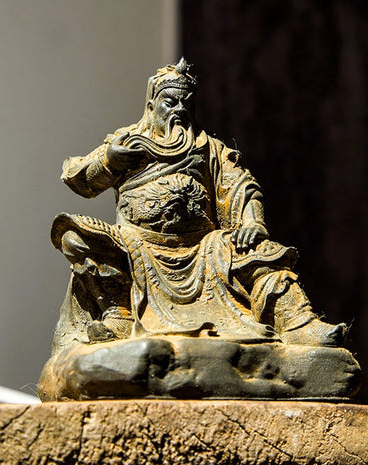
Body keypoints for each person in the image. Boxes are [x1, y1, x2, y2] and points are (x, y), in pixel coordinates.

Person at [50, 58, 347, 353]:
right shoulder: (127, 142)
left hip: (205, 249)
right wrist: (109, 162)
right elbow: (78, 178)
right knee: (74, 238)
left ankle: (298, 322)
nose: (179, 110)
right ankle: (119, 317)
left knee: (261, 252)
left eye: (186, 104)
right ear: (151, 106)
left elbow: (242, 185)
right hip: (135, 243)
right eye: (170, 103)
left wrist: (251, 222)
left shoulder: (209, 148)